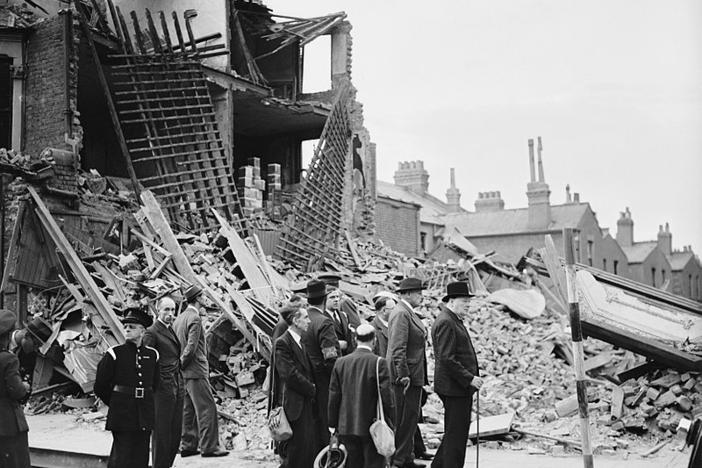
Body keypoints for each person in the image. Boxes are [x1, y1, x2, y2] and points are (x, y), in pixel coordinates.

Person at [94, 308, 159, 468]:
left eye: (132, 327)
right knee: (121, 459)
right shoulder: (115, 353)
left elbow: (155, 385)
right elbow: (100, 386)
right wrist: (117, 402)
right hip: (122, 414)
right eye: (126, 327)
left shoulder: (152, 355)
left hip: (144, 413)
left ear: (142, 331)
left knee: (141, 458)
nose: (127, 329)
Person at [172, 284, 229, 458]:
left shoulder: (179, 318)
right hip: (195, 370)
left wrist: (179, 366)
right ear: (197, 299)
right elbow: (191, 346)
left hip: (185, 373)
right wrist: (181, 363)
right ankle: (210, 447)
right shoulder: (195, 319)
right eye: (202, 296)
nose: (205, 299)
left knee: (188, 410)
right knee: (207, 408)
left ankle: (188, 445)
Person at [431, 282, 483, 468]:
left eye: (469, 301)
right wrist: (469, 378)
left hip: (456, 387)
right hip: (454, 387)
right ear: (451, 301)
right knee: (457, 435)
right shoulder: (446, 321)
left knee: (454, 431)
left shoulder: (452, 319)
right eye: (464, 301)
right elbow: (447, 358)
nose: (468, 305)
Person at [328, 323, 394, 468]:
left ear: (355, 339)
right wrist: (391, 420)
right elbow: (387, 397)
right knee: (374, 463)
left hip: (346, 425)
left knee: (352, 463)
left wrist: (333, 424)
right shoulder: (379, 363)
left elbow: (334, 396)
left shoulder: (340, 362)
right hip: (372, 425)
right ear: (374, 340)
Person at [386, 277, 428, 468]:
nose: (421, 296)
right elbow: (397, 348)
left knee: (410, 420)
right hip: (406, 378)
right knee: (404, 420)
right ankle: (399, 461)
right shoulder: (402, 313)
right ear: (408, 294)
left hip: (412, 375)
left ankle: (406, 458)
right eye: (418, 293)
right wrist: (403, 375)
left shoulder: (407, 312)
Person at [273, 302, 319, 468]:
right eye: (305, 317)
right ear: (295, 320)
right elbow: (289, 375)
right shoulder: (283, 343)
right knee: (296, 451)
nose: (309, 321)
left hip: (304, 402)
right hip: (295, 404)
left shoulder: (300, 341)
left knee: (306, 449)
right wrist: (312, 389)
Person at [143, 296, 184, 468]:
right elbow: (146, 364)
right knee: (161, 432)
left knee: (175, 432)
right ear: (158, 311)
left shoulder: (170, 329)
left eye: (173, 310)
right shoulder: (151, 332)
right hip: (162, 388)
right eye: (166, 309)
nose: (170, 313)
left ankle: (166, 464)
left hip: (177, 384)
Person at [300, 279, 340, 446]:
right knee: (325, 420)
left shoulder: (300, 319)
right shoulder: (324, 322)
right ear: (325, 299)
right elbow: (330, 356)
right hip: (322, 379)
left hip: (304, 377)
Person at [0, 309, 31, 468]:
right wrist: (25, 386)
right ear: (6, 336)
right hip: (8, 423)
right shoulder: (8, 359)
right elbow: (17, 391)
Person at [327, 289, 355, 355]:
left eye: (337, 297)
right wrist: (337, 345)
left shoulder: (344, 315)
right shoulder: (322, 318)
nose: (336, 300)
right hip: (333, 358)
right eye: (332, 297)